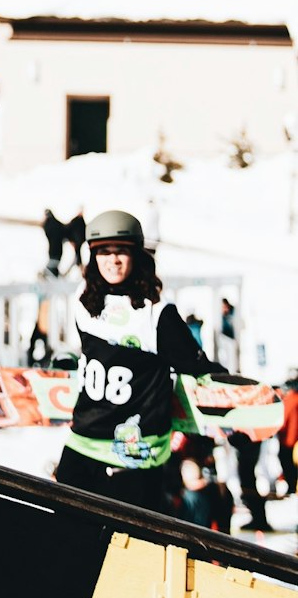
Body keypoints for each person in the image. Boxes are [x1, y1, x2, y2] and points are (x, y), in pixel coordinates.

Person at [55, 210, 225, 514]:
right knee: (67, 531)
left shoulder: (156, 314)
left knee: (125, 548)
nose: (113, 260)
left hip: (135, 452)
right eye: (103, 252)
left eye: (121, 251)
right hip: (84, 441)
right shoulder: (84, 301)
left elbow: (196, 366)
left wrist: (231, 394)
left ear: (136, 255)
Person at [42, 210, 66, 277]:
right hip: (59, 249)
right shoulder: (58, 224)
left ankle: (54, 278)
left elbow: (47, 233)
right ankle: (56, 277)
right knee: (54, 266)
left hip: (52, 250)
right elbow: (65, 233)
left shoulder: (48, 224)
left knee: (51, 266)